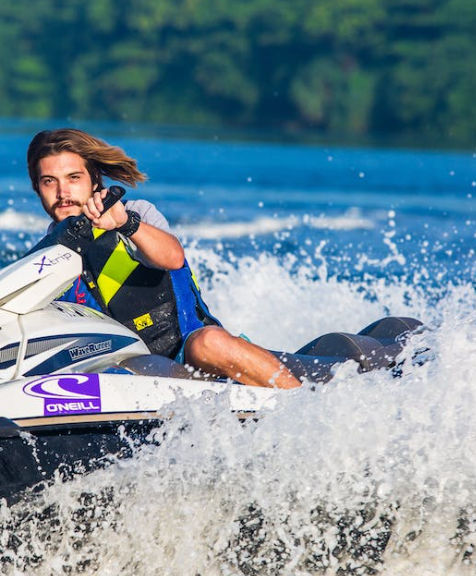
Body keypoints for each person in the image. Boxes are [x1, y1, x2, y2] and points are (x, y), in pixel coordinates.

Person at [26, 128, 300, 389]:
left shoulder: (136, 214)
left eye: (74, 178)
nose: (62, 193)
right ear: (37, 188)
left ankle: (302, 405)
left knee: (208, 343)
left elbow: (172, 257)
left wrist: (125, 224)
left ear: (94, 180)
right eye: (49, 181)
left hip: (189, 349)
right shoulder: (41, 260)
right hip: (121, 370)